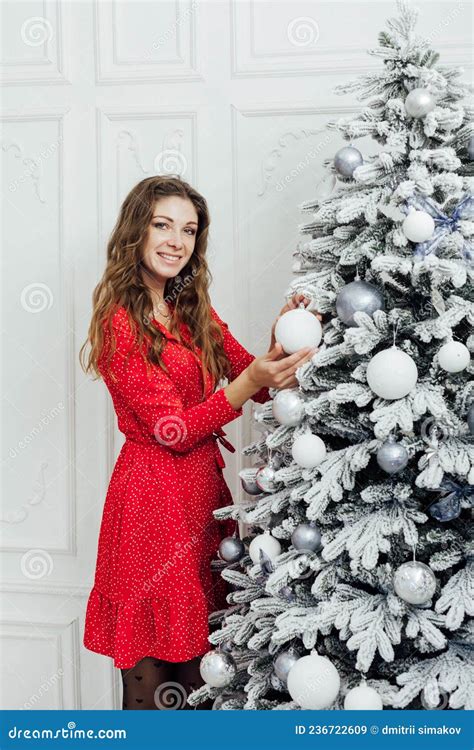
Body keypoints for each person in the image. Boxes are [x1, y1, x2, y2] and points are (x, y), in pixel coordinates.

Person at [79, 175, 319, 710]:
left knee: (203, 673)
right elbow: (175, 430)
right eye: (162, 225)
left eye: (188, 230)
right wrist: (252, 379)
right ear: (135, 233)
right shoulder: (121, 323)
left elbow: (249, 380)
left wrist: (280, 347)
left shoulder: (190, 309)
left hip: (202, 504)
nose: (176, 241)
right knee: (153, 678)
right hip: (150, 508)